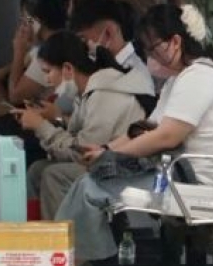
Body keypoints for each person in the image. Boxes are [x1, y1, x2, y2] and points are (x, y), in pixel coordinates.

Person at [58, 4, 213, 266]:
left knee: (91, 187)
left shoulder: (199, 78)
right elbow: (145, 128)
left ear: (176, 42)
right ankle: (83, 263)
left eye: (154, 49)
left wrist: (113, 156)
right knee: (89, 183)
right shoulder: (182, 79)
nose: (150, 58)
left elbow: (166, 136)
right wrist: (105, 148)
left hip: (195, 183)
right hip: (181, 175)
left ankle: (80, 265)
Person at [18, 31, 154, 218]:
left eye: (48, 71)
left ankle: (64, 235)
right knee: (37, 170)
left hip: (124, 169)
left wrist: (41, 126)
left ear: (68, 68)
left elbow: (83, 153)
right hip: (108, 162)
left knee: (54, 175)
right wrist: (51, 121)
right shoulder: (88, 93)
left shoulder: (105, 94)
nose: (47, 80)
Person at [68, 0, 145, 73]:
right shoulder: (108, 70)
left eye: (84, 41)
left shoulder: (133, 73)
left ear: (108, 33)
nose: (82, 49)